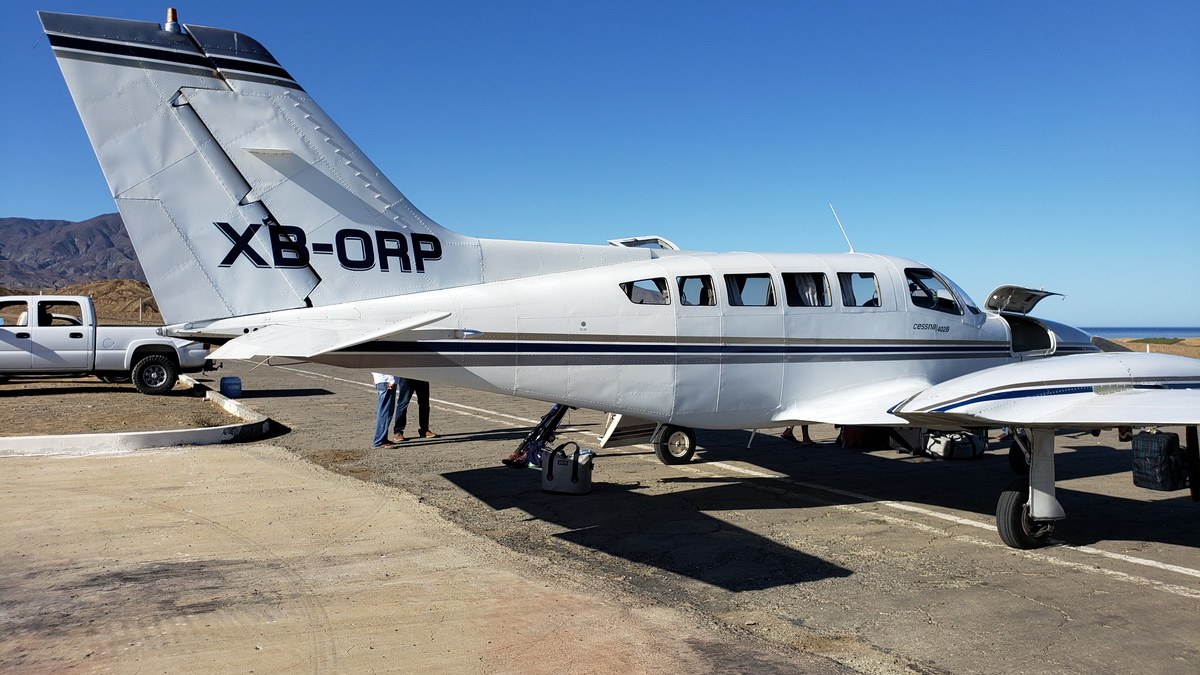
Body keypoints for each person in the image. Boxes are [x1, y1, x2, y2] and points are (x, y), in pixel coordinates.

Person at [371, 372, 399, 449]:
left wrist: (376, 379)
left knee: (384, 410)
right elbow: (390, 367)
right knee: (385, 412)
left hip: (381, 380)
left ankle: (383, 438)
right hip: (386, 381)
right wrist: (392, 380)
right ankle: (379, 440)